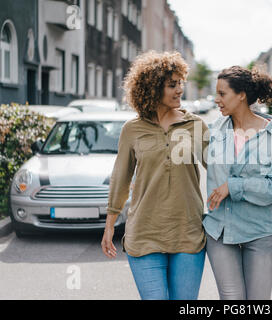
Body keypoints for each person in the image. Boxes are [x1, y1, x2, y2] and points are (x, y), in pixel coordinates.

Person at [101, 51, 209, 300]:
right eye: (172, 85)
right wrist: (109, 226)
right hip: (145, 233)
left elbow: (218, 169)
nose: (179, 89)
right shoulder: (132, 129)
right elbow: (120, 179)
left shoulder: (195, 125)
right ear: (152, 87)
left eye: (180, 83)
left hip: (188, 233)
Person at [203, 65, 272, 300]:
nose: (217, 99)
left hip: (259, 231)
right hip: (219, 230)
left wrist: (233, 186)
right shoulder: (213, 132)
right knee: (232, 300)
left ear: (241, 94)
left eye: (222, 94)